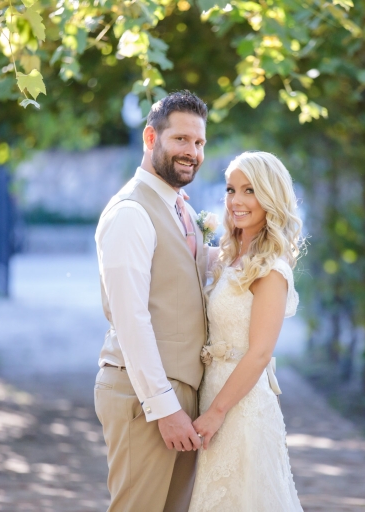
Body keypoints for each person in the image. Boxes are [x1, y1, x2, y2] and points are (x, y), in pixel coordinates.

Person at [94, 90, 209, 512]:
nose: (192, 152)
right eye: (180, 139)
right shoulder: (130, 213)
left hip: (179, 394)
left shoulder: (181, 210)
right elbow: (132, 321)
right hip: (144, 397)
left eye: (198, 143)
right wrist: (164, 407)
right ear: (150, 138)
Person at [188, 151, 304, 511]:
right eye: (230, 189)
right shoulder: (230, 256)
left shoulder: (271, 268)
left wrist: (216, 412)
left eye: (249, 190)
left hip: (241, 407)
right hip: (213, 391)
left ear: (270, 196)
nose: (236, 200)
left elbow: (259, 354)